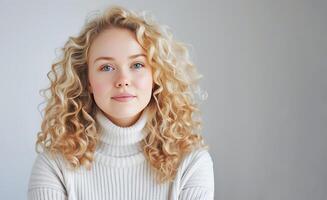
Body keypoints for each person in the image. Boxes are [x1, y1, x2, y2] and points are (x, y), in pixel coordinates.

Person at [28, 5, 214, 200]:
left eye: (137, 65)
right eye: (106, 67)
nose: (123, 79)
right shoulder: (54, 165)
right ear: (87, 81)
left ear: (156, 76)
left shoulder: (191, 163)